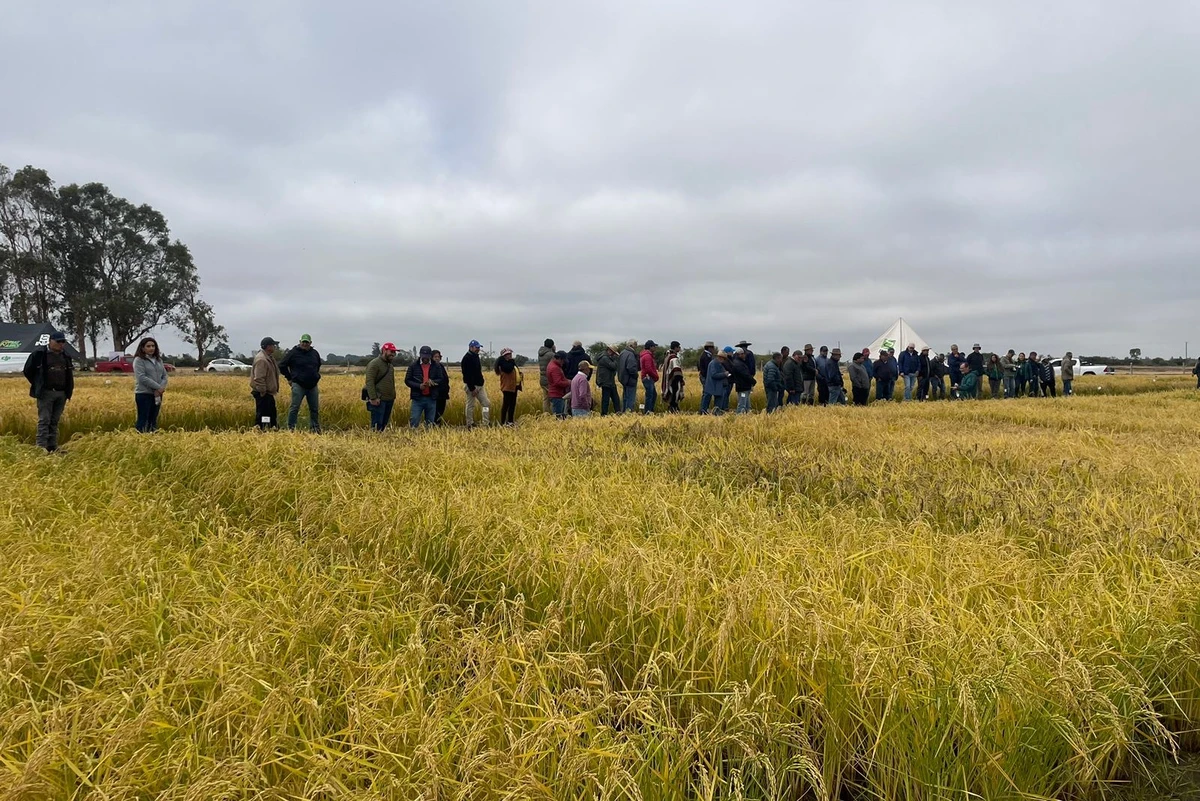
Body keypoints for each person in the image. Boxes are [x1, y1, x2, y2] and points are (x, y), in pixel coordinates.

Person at [24, 330, 74, 452]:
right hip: (46, 393)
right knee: (44, 420)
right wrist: (38, 384)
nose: (61, 344)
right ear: (50, 341)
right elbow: (28, 371)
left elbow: (69, 374)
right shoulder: (39, 354)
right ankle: (41, 447)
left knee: (55, 421)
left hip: (61, 393)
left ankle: (52, 446)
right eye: (58, 342)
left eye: (63, 342)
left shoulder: (65, 356)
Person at [279, 333, 321, 432]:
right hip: (298, 384)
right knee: (295, 407)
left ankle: (315, 428)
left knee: (314, 408)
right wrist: (289, 378)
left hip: (312, 385)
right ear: (300, 342)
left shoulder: (315, 353)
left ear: (310, 343)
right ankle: (291, 428)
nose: (305, 344)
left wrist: (315, 376)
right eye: (303, 342)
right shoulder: (293, 353)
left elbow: (318, 365)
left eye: (307, 342)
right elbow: (282, 365)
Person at [132, 336, 168, 433]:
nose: (151, 348)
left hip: (157, 394)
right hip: (144, 394)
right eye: (148, 346)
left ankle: (152, 439)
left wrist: (161, 388)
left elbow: (164, 375)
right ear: (142, 348)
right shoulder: (139, 360)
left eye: (153, 346)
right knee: (143, 419)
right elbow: (141, 377)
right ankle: (140, 440)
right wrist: (158, 387)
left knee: (153, 419)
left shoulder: (158, 360)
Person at [405, 345, 446, 428]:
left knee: (430, 422)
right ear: (420, 355)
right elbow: (407, 380)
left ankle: (428, 438)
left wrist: (433, 382)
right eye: (424, 357)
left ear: (430, 356)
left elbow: (441, 379)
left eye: (427, 357)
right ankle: (413, 436)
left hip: (431, 398)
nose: (425, 359)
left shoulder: (436, 366)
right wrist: (419, 386)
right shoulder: (413, 366)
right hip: (417, 398)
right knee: (414, 419)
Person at [363, 342, 397, 431]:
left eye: (394, 352)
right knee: (377, 425)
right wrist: (373, 398)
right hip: (379, 400)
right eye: (391, 351)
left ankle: (380, 442)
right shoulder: (374, 364)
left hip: (389, 399)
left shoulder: (390, 366)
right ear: (384, 351)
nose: (393, 354)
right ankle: (374, 441)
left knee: (384, 424)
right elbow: (369, 382)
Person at [250, 336, 281, 430]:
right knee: (264, 414)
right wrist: (263, 391)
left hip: (267, 392)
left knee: (270, 413)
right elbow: (259, 378)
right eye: (273, 345)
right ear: (268, 347)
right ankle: (263, 430)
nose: (275, 347)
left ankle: (269, 428)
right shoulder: (262, 360)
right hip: (263, 393)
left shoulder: (268, 358)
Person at [461, 339, 490, 428]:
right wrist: (472, 388)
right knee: (470, 405)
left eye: (478, 347)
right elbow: (467, 375)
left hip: (480, 385)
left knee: (486, 403)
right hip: (471, 386)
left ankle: (486, 422)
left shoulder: (476, 356)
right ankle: (469, 423)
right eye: (476, 347)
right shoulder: (466, 359)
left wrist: (481, 382)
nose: (478, 349)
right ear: (471, 347)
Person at [494, 347, 521, 426]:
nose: (510, 356)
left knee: (512, 404)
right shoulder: (503, 363)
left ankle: (510, 421)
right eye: (508, 354)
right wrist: (512, 362)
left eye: (510, 354)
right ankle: (502, 422)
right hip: (507, 387)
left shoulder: (510, 362)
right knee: (506, 405)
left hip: (513, 387)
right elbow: (508, 369)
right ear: (504, 356)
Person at [703, 349, 732, 414]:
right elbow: (714, 375)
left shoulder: (717, 363)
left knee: (717, 401)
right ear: (720, 357)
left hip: (716, 386)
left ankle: (715, 412)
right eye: (724, 358)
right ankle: (714, 413)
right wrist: (725, 374)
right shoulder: (714, 364)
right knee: (716, 402)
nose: (724, 360)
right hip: (715, 385)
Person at [596, 343, 621, 415]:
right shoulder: (604, 358)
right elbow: (613, 366)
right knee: (606, 400)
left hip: (609, 381)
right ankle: (604, 414)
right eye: (613, 353)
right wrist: (616, 360)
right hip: (606, 382)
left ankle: (617, 412)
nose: (614, 355)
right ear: (610, 351)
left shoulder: (606, 357)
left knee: (615, 399)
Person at [729, 346, 756, 413]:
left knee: (747, 405)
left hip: (744, 387)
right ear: (740, 354)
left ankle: (746, 418)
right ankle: (739, 418)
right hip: (743, 387)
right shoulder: (739, 364)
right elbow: (745, 375)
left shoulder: (739, 362)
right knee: (742, 404)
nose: (745, 355)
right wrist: (753, 381)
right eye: (744, 354)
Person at [545, 350, 571, 418]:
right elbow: (558, 382)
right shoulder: (555, 368)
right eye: (563, 360)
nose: (563, 363)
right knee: (558, 416)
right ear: (559, 359)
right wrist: (568, 382)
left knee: (558, 415)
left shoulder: (552, 365)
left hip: (555, 393)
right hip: (557, 395)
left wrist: (566, 380)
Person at [661, 341, 685, 413]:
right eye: (679, 347)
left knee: (672, 395)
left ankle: (672, 408)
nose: (680, 349)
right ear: (675, 347)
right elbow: (676, 370)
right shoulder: (674, 358)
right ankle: (673, 409)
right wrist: (681, 380)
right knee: (674, 394)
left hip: (669, 380)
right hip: (674, 380)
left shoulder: (668, 356)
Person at [618, 340, 639, 413]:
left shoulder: (622, 353)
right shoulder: (631, 354)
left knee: (625, 398)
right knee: (630, 398)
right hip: (630, 379)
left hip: (623, 379)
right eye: (635, 345)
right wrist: (636, 375)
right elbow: (631, 368)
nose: (636, 347)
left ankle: (623, 412)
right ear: (631, 346)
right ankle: (628, 413)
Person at [431, 350, 451, 424]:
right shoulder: (431, 367)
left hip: (443, 393)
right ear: (431, 358)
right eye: (435, 357)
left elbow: (445, 379)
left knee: (441, 411)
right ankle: (434, 426)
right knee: (435, 411)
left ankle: (438, 425)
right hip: (435, 394)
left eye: (438, 357)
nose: (437, 358)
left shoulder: (441, 366)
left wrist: (447, 388)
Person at [639, 340, 659, 414]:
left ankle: (649, 410)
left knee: (653, 394)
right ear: (650, 347)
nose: (655, 348)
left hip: (647, 377)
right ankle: (648, 410)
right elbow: (648, 368)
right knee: (650, 395)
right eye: (654, 346)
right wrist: (655, 376)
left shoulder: (645, 355)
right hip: (648, 378)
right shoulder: (647, 356)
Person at [538, 338, 555, 414]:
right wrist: (554, 351)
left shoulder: (540, 354)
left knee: (545, 398)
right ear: (552, 345)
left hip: (542, 378)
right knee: (553, 398)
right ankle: (553, 414)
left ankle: (546, 415)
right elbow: (555, 363)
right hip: (550, 379)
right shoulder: (551, 354)